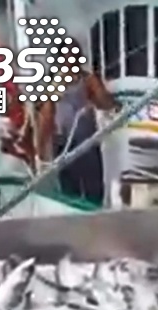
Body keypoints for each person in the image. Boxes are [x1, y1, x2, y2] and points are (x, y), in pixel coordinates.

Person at [36, 37, 120, 207]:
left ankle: (95, 215)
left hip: (87, 143)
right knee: (68, 192)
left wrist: (99, 99)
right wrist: (40, 149)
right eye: (68, 56)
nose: (72, 59)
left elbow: (106, 103)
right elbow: (46, 117)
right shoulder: (52, 85)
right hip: (63, 144)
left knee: (94, 190)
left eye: (76, 55)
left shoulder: (87, 80)